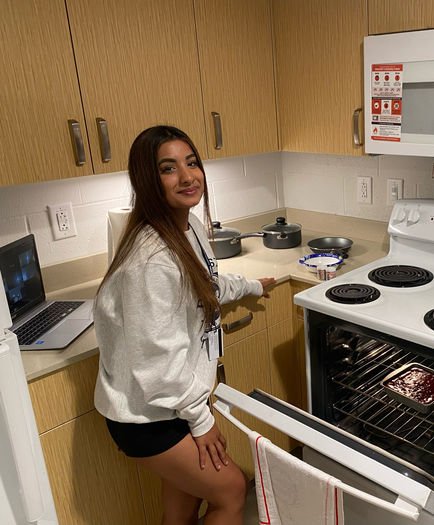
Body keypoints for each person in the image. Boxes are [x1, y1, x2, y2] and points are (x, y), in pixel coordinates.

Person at [93, 125, 275, 525]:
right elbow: (157, 361)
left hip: (171, 403)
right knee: (231, 490)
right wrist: (201, 418)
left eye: (192, 163)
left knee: (182, 510)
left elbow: (202, 284)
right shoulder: (151, 258)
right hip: (148, 414)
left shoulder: (185, 225)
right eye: (169, 168)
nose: (188, 176)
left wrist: (248, 287)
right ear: (147, 179)